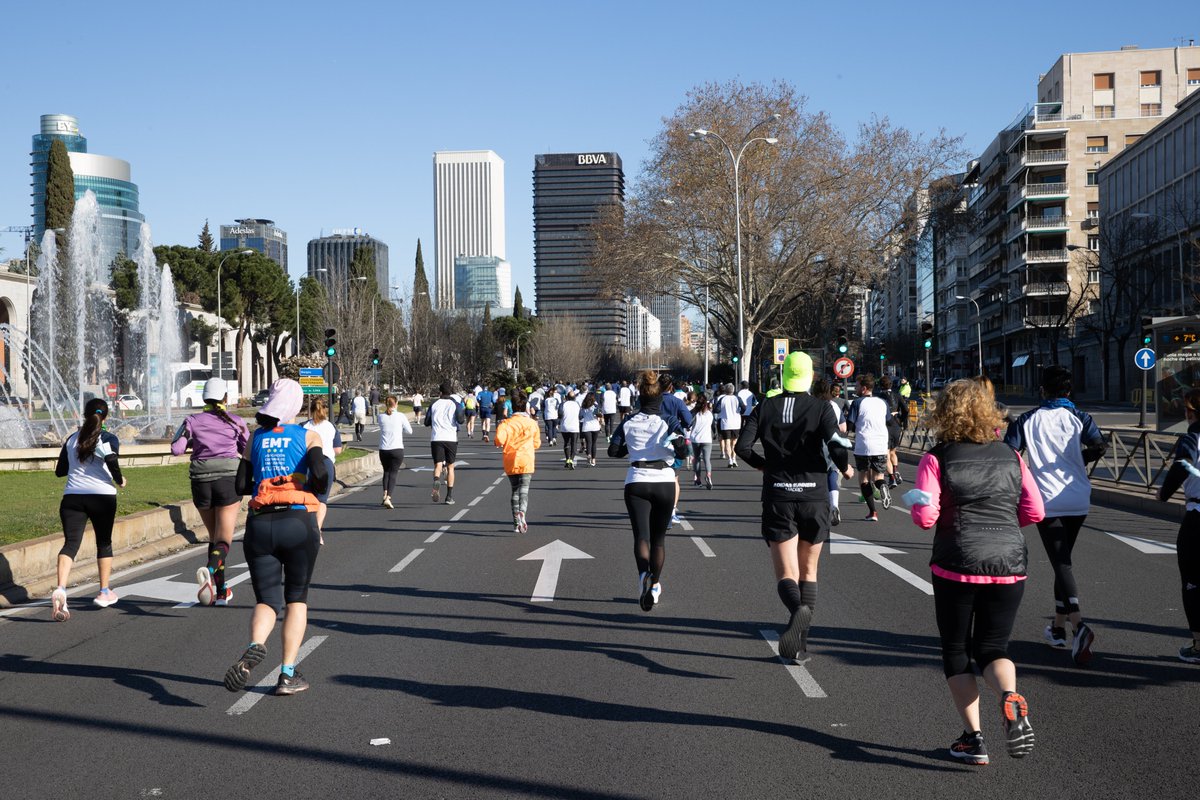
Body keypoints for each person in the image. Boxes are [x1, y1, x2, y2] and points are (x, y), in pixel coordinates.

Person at [908, 378, 1044, 764]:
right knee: (993, 648)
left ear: (943, 413)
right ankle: (1009, 695)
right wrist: (1003, 526)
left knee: (956, 649)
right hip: (1009, 563)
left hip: (957, 562)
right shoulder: (1011, 455)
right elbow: (1035, 511)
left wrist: (920, 503)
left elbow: (925, 517)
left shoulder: (937, 458)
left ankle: (973, 738)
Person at [736, 353, 852, 664]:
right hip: (814, 495)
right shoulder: (821, 407)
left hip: (779, 494)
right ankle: (801, 646)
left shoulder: (765, 406)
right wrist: (845, 467)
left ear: (783, 375)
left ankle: (796, 610)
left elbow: (742, 447)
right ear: (810, 376)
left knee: (787, 573)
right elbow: (837, 444)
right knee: (809, 571)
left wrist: (764, 466)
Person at [224, 378, 329, 697]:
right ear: (295, 405)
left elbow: (240, 485)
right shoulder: (308, 435)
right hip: (297, 522)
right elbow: (321, 476)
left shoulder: (255, 437)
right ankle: (287, 674)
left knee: (267, 600)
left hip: (260, 525)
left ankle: (255, 645)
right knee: (296, 598)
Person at [1005, 366, 1107, 666]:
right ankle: (1058, 629)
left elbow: (1009, 455)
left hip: (1046, 500)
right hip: (1078, 498)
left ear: (1042, 390)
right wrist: (1076, 459)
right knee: (1062, 563)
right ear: (1068, 390)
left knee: (1061, 563)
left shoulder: (1027, 419)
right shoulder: (1080, 416)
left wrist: (1025, 475)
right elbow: (1099, 446)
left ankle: (1079, 625)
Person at [608, 370, 689, 611]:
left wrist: (633, 449)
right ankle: (655, 584)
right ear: (660, 399)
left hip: (636, 481)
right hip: (664, 480)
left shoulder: (629, 421)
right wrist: (676, 444)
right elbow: (684, 451)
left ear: (640, 398)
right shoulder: (669, 421)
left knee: (641, 537)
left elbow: (613, 451)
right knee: (659, 540)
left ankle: (643, 574)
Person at [171, 378, 250, 607]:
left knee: (213, 536)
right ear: (226, 397)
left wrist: (193, 442)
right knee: (223, 540)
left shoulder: (191, 420)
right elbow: (247, 449)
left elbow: (176, 449)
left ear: (203, 398)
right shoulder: (236, 421)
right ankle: (210, 571)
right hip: (228, 480)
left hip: (201, 481)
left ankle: (221, 591)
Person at [50, 398, 127, 620]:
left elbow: (60, 471)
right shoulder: (108, 438)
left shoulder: (72, 439)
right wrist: (120, 480)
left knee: (70, 544)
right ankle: (104, 591)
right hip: (102, 497)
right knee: (103, 543)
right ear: (106, 416)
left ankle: (61, 588)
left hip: (72, 498)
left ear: (84, 415)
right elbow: (111, 458)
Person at [1156, 386, 1200, 664]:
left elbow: (1182, 465)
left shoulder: (1193, 437)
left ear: (1192, 412)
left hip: (1198, 518)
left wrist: (1164, 493)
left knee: (1193, 581)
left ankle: (1198, 645)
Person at [494, 390, 542, 533]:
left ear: (512, 407)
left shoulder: (506, 423)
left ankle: (516, 522)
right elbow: (537, 444)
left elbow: (499, 440)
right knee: (524, 490)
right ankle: (522, 512)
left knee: (514, 490)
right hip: (526, 458)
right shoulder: (532, 423)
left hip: (511, 458)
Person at [847, 376, 891, 521]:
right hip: (881, 444)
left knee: (864, 478)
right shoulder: (883, 402)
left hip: (864, 445)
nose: (855, 389)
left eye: (857, 386)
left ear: (864, 388)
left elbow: (849, 425)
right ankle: (883, 486)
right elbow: (889, 421)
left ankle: (873, 512)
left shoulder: (857, 402)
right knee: (878, 477)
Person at [302, 397, 342, 541]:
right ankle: (317, 531)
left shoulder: (303, 426)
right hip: (325, 463)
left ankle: (306, 528)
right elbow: (337, 450)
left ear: (310, 410)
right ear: (325, 410)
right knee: (322, 500)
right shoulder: (331, 427)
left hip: (307, 464)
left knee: (306, 498)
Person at [658, 374, 694, 525]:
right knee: (674, 477)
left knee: (655, 476)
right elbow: (688, 421)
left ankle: (658, 509)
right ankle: (672, 511)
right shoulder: (677, 402)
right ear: (671, 386)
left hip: (654, 441)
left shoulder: (653, 400)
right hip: (673, 441)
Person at [811, 378, 847, 526]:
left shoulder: (811, 404)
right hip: (831, 443)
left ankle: (816, 510)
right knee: (832, 473)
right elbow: (843, 428)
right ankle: (834, 505)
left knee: (814, 477)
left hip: (813, 444)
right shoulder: (834, 406)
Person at [425, 382, 465, 504]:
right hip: (450, 437)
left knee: (438, 465)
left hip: (436, 438)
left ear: (440, 392)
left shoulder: (434, 404)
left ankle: (436, 480)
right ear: (451, 392)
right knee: (450, 467)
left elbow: (426, 422)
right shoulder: (455, 404)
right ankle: (449, 496)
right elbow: (461, 420)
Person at [377, 395, 413, 509]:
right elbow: (409, 431)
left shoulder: (380, 417)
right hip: (397, 448)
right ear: (396, 404)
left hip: (383, 449)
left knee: (386, 472)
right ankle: (388, 497)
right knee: (393, 473)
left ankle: (384, 493)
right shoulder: (401, 416)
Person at [876, 376, 904, 487]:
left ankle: (892, 478)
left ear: (880, 386)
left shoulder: (879, 398)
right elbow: (906, 409)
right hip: (896, 425)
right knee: (893, 452)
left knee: (886, 454)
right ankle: (896, 471)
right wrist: (902, 420)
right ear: (891, 385)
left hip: (885, 426)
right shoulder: (897, 395)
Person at [689, 393, 714, 489]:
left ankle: (698, 479)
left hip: (696, 439)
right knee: (707, 459)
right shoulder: (709, 414)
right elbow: (712, 425)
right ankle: (708, 475)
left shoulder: (694, 413)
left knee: (697, 459)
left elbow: (688, 423)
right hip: (707, 439)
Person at [716, 383, 743, 467]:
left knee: (727, 441)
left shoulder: (722, 399)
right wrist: (739, 412)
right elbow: (744, 407)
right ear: (733, 390)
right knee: (734, 442)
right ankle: (734, 459)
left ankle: (730, 460)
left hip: (725, 423)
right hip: (736, 423)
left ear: (725, 390)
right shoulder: (737, 398)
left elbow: (717, 410)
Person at [560, 389, 581, 469]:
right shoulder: (577, 404)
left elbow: (560, 414)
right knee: (574, 443)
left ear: (567, 397)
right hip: (574, 426)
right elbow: (581, 415)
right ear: (574, 397)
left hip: (565, 426)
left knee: (566, 443)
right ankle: (571, 460)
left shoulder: (563, 404)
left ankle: (567, 459)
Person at [580, 391, 602, 467]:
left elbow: (580, 416)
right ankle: (593, 459)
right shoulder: (595, 405)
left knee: (588, 442)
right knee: (594, 443)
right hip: (595, 426)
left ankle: (588, 454)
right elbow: (599, 413)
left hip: (586, 426)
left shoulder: (583, 405)